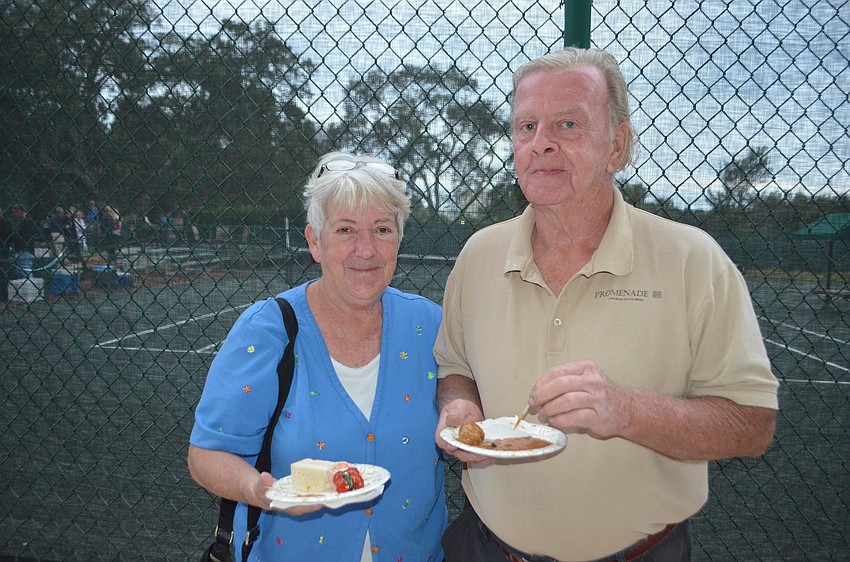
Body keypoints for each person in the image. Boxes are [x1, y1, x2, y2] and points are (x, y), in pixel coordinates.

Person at [434, 48, 779, 562]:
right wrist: (459, 406)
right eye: (526, 126)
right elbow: (455, 366)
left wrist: (627, 410)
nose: (540, 144)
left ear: (617, 145)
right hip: (487, 549)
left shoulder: (692, 259)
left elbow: (753, 424)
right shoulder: (479, 255)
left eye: (568, 124)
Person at [188, 152, 448, 561]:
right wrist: (258, 490)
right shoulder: (268, 332)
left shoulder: (430, 325)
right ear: (314, 241)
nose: (366, 250)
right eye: (346, 230)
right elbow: (206, 455)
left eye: (382, 229)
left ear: (399, 239)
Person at [9, 204, 41, 277]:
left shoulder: (27, 222)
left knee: (26, 274)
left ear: (20, 211)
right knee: (21, 274)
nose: (14, 215)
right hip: (21, 251)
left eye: (15, 212)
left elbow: (27, 238)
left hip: (25, 251)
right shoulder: (22, 222)